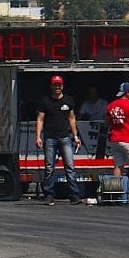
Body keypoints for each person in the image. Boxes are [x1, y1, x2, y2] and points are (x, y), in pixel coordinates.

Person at [32, 75, 84, 203]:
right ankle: (49, 194)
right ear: (51, 86)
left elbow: (72, 119)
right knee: (49, 167)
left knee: (70, 166)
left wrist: (75, 136)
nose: (57, 87)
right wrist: (38, 136)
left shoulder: (68, 100)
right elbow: (40, 119)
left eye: (59, 85)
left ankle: (74, 194)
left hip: (65, 137)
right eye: (55, 85)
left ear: (62, 86)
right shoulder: (45, 101)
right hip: (50, 138)